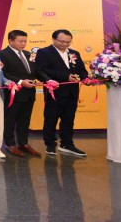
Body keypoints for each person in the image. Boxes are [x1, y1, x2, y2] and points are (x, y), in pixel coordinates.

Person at [0, 29, 52, 158]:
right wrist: (20, 82)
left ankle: (23, 143)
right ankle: (10, 144)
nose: (23, 44)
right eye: (20, 41)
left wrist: (48, 80)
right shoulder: (2, 54)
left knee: (25, 120)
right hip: (14, 93)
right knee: (10, 120)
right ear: (11, 41)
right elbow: (3, 73)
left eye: (25, 41)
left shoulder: (28, 54)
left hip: (29, 93)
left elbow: (37, 71)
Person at [35, 29, 90, 158]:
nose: (65, 44)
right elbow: (42, 71)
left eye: (68, 42)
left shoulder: (74, 53)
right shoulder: (44, 52)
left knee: (69, 119)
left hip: (72, 92)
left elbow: (82, 70)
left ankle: (67, 144)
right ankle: (50, 144)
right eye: (62, 41)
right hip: (55, 92)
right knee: (51, 118)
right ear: (54, 39)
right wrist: (66, 77)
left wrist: (86, 79)